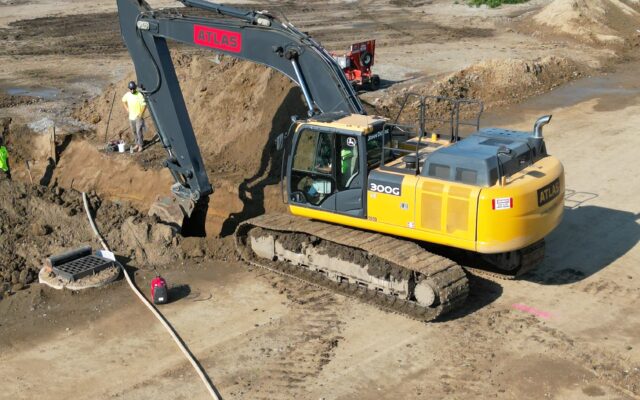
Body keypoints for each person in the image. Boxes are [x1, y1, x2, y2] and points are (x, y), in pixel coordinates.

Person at [121, 81, 147, 153]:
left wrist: (141, 114)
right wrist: (126, 108)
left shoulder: (139, 95)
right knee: (134, 131)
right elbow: (123, 101)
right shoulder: (127, 95)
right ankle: (137, 144)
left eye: (133, 89)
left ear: (135, 88)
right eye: (131, 89)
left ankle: (141, 145)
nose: (132, 90)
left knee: (139, 131)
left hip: (138, 116)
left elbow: (144, 105)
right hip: (131, 117)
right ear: (129, 89)